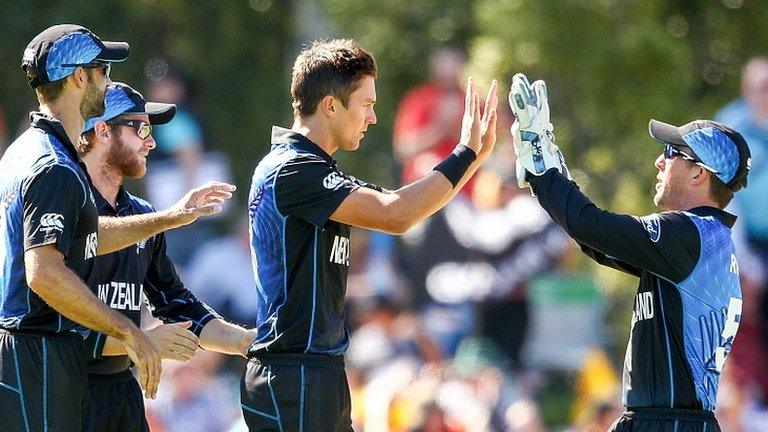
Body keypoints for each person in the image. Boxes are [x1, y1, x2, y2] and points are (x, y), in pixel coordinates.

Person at [244, 38, 498, 431]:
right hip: (292, 375)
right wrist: (465, 153)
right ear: (330, 104)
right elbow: (396, 215)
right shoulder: (293, 170)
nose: (373, 117)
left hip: (317, 372)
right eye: (367, 104)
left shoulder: (315, 170)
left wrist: (474, 157)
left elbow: (403, 205)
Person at [0, 24, 233, 431]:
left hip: (36, 361)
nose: (107, 82)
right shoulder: (54, 166)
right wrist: (130, 333)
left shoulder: (28, 150)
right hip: (38, 360)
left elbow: (85, 236)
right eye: (103, 71)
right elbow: (44, 273)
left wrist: (172, 216)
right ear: (77, 77)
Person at [508, 73, 750, 431]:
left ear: (699, 173)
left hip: (666, 424)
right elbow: (597, 242)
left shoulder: (687, 235)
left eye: (672, 153)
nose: (659, 161)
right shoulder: (708, 241)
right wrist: (551, 170)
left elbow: (592, 226)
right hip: (677, 422)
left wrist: (542, 169)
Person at [78, 82, 257, 432]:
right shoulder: (64, 204)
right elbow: (55, 329)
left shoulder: (142, 213)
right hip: (65, 393)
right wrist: (142, 342)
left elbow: (176, 303)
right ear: (102, 131)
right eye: (141, 128)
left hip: (121, 394)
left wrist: (247, 343)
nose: (152, 141)